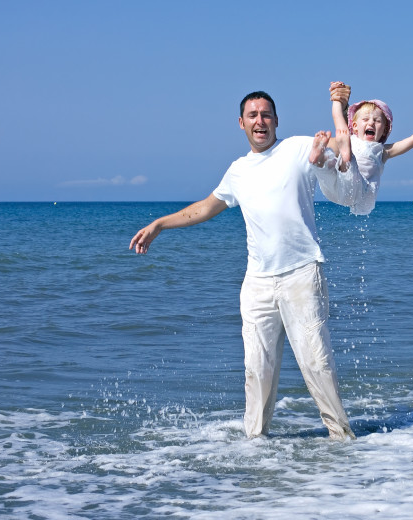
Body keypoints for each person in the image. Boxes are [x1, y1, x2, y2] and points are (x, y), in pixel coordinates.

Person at [129, 90, 358, 440]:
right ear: (241, 123)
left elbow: (340, 171)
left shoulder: (298, 148)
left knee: (317, 365)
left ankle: (342, 441)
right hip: (257, 284)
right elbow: (206, 207)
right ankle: (255, 447)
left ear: (276, 120)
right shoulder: (238, 171)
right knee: (256, 370)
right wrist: (160, 224)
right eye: (252, 115)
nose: (260, 121)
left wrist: (340, 111)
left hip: (301, 274)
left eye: (266, 114)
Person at [310, 82, 413, 215]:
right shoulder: (352, 139)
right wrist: (336, 100)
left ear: (385, 130)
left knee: (343, 159)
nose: (371, 123)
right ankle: (320, 159)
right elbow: (337, 115)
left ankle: (332, 160)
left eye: (377, 121)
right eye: (366, 119)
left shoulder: (382, 151)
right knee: (328, 170)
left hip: (355, 191)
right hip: (336, 188)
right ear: (355, 126)